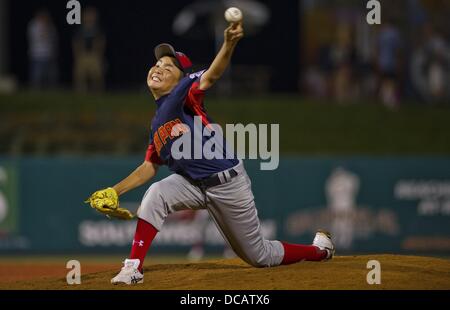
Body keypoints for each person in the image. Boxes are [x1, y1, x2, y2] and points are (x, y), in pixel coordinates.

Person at [86, 21, 335, 285]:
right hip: (193, 185)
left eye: (168, 67)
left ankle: (319, 250)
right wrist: (115, 191)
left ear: (181, 78)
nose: (158, 67)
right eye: (157, 64)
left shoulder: (185, 94)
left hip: (228, 184)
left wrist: (229, 43)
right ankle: (133, 267)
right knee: (156, 194)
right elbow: (149, 166)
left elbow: (211, 76)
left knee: (259, 256)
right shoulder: (157, 122)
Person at [72, 7, 106, 92]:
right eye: (87, 16)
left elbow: (101, 41)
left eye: (91, 16)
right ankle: (81, 94)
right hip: (83, 55)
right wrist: (77, 55)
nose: (89, 17)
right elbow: (75, 42)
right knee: (80, 76)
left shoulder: (97, 29)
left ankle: (97, 93)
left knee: (97, 76)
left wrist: (99, 53)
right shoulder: (81, 30)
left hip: (94, 55)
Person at [27, 9, 58, 89]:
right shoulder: (33, 26)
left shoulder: (50, 26)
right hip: (37, 54)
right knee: (37, 75)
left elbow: (54, 39)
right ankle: (35, 89)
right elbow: (36, 37)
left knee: (50, 75)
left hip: (49, 54)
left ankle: (50, 90)